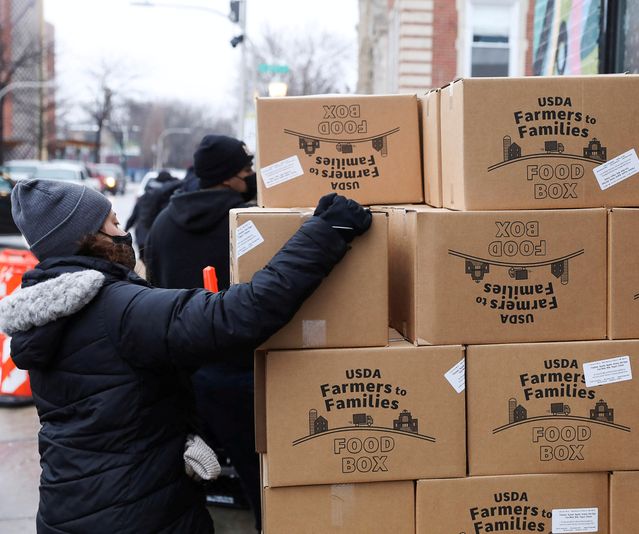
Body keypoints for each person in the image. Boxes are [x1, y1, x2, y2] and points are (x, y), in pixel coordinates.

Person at [0, 178, 371, 533]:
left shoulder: (47, 313)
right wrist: (327, 231)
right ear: (88, 238)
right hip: (136, 516)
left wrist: (175, 434)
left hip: (67, 509)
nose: (122, 229)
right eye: (112, 221)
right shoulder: (119, 309)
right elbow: (239, 315)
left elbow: (106, 407)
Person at [144, 135, 262, 526]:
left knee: (187, 474)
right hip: (239, 368)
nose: (250, 174)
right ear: (230, 177)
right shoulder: (248, 221)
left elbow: (154, 288)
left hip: (181, 368)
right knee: (260, 475)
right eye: (245, 169)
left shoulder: (162, 223)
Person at [126, 170, 182, 256]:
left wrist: (123, 232)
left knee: (144, 265)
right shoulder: (168, 198)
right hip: (156, 241)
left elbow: (133, 217)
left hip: (142, 239)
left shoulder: (145, 196)